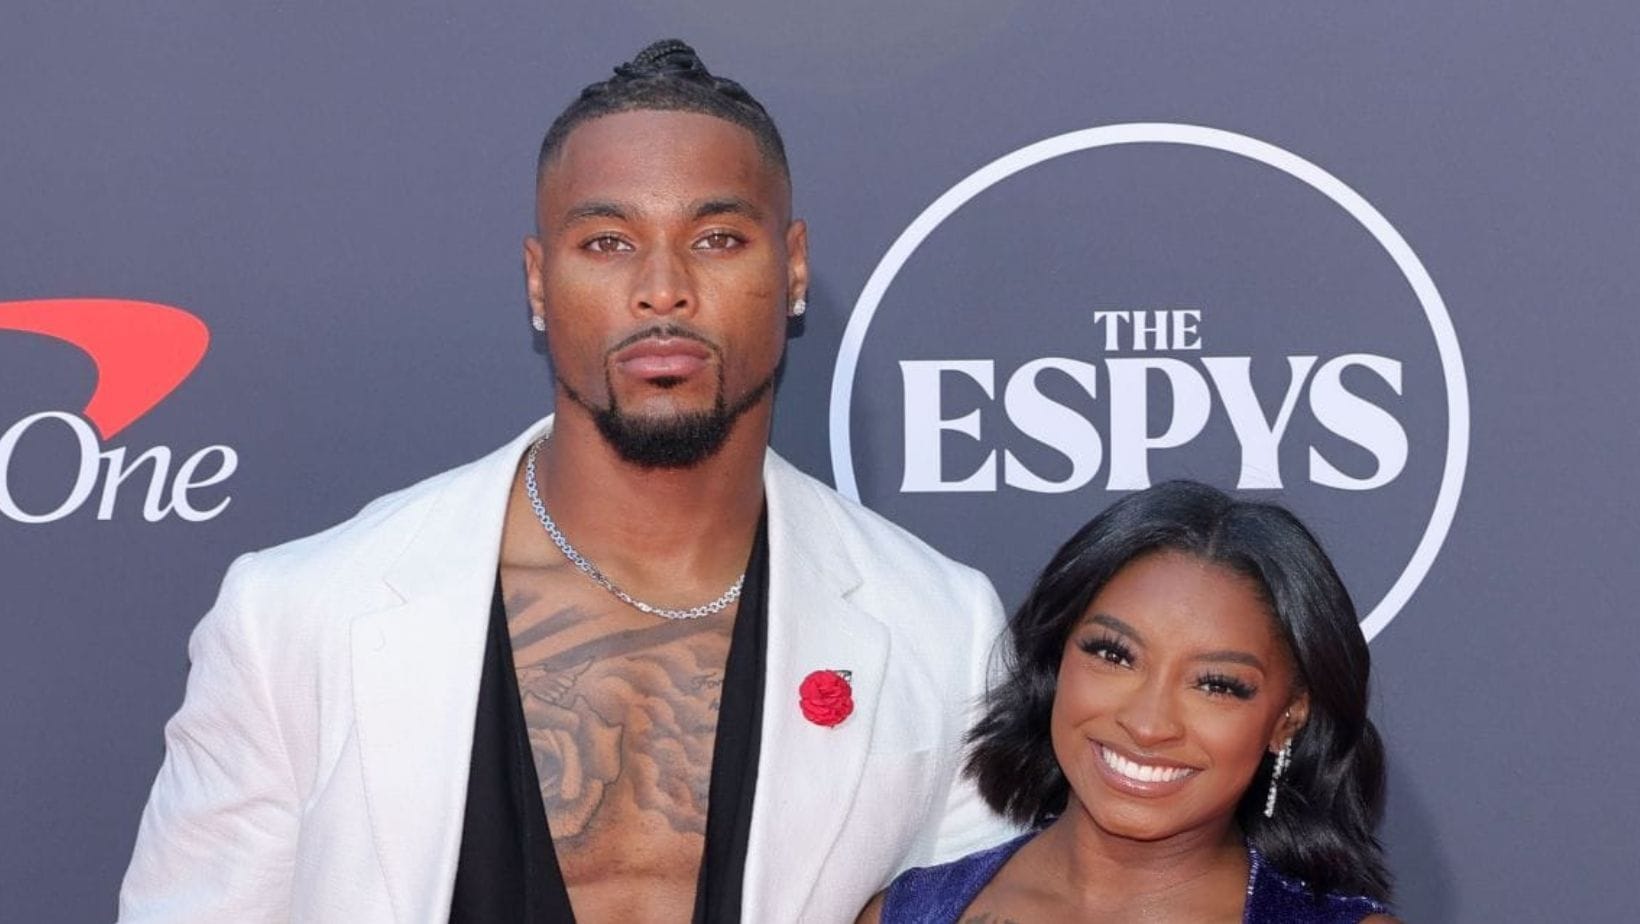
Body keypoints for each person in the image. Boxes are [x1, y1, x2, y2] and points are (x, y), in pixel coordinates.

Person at [119, 39, 1015, 923]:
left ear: (792, 270)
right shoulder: (298, 615)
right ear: (539, 283)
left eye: (716, 237)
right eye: (607, 242)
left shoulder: (940, 625)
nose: (663, 288)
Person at [859, 481, 1398, 923]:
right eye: (1113, 655)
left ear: (1287, 719)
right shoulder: (908, 916)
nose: (1147, 724)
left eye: (1216, 684)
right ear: (1056, 657)